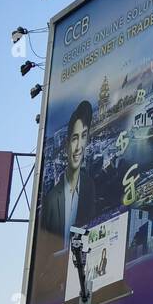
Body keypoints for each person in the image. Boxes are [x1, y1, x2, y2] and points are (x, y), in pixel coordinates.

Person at [41, 100, 97, 247]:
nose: (79, 146)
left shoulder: (89, 186)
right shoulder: (51, 200)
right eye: (74, 138)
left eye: (83, 136)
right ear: (67, 145)